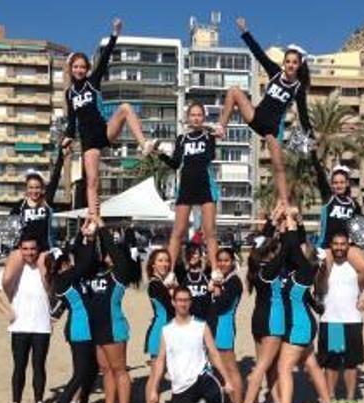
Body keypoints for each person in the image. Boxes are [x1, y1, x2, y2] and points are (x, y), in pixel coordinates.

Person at [60, 18, 159, 219]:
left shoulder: (92, 83)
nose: (79, 70)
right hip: (89, 141)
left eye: (82, 67)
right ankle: (93, 216)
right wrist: (67, 137)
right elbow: (72, 122)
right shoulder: (69, 94)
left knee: (125, 107)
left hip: (104, 131)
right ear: (71, 69)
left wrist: (114, 34)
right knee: (92, 181)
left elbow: (104, 60)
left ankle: (143, 144)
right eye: (75, 67)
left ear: (87, 69)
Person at [216, 17, 312, 209]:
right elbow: (259, 54)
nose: (291, 65)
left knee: (278, 165)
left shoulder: (298, 89)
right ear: (284, 63)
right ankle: (221, 127)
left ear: (299, 65)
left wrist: (310, 137)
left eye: (294, 62)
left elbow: (303, 115)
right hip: (256, 116)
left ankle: (283, 201)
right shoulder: (275, 73)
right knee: (234, 90)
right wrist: (245, 32)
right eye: (288, 61)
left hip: (271, 129)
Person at [264, 209, 337, 403]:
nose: (300, 249)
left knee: (284, 368)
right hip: (302, 323)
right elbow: (285, 247)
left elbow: (292, 246)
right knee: (311, 364)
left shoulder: (306, 269)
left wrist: (291, 221)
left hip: (299, 325)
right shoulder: (295, 269)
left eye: (304, 249)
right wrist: (285, 222)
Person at [147, 286, 235, 403]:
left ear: (191, 302)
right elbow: (160, 361)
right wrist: (154, 389)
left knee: (214, 397)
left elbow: (214, 353)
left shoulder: (201, 325)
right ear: (173, 302)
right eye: (180, 300)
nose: (183, 304)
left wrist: (227, 380)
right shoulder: (167, 330)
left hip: (201, 377)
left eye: (186, 300)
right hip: (181, 385)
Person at [81, 215, 140, 403]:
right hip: (98, 329)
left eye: (108, 254)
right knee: (105, 370)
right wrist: (88, 237)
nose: (106, 255)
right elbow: (83, 259)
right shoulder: (93, 273)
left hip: (114, 327)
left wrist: (103, 229)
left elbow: (116, 254)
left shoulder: (119, 273)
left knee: (119, 370)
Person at [0, 233, 52, 403]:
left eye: (33, 249)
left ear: (38, 250)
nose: (29, 253)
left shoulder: (44, 267)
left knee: (39, 366)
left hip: (41, 326)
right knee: (19, 367)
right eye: (25, 249)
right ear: (19, 250)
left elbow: (56, 291)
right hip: (19, 326)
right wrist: (6, 312)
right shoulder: (13, 270)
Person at [317, 231, 364, 403]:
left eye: (343, 244)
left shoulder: (357, 267)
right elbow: (318, 287)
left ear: (348, 246)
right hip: (332, 321)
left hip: (352, 320)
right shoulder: (326, 267)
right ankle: (331, 398)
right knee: (333, 364)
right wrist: (321, 270)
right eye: (335, 244)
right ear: (331, 246)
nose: (339, 247)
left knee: (351, 363)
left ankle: (351, 400)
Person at [159, 102, 222, 280]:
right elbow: (175, 164)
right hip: (185, 187)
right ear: (188, 118)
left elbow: (209, 156)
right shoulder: (181, 139)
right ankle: (170, 271)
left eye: (199, 115)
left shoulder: (209, 137)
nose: (195, 118)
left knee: (209, 230)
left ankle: (215, 269)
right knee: (178, 231)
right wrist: (160, 153)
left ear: (203, 118)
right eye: (192, 115)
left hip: (205, 186)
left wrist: (213, 133)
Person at [47, 223, 100, 403]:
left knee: (93, 368)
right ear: (61, 264)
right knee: (80, 372)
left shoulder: (67, 277)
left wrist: (80, 234)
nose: (71, 261)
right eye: (67, 260)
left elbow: (81, 258)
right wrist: (90, 239)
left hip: (84, 327)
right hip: (79, 328)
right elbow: (85, 263)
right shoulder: (63, 278)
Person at [240, 208, 289, 403]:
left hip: (258, 319)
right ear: (270, 253)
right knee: (262, 366)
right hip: (272, 320)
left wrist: (272, 219)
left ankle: (275, 402)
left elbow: (262, 240)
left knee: (267, 363)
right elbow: (288, 247)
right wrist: (289, 224)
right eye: (274, 250)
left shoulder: (256, 266)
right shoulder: (270, 269)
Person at [1, 150, 65, 299]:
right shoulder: (20, 206)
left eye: (37, 187)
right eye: (31, 187)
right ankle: (13, 300)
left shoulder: (46, 201)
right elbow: (8, 228)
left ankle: (51, 301)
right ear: (26, 189)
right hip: (24, 248)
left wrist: (62, 155)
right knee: (7, 279)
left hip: (43, 248)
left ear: (42, 188)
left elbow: (55, 178)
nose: (34, 191)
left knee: (45, 272)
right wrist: (6, 242)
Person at [142, 248, 177, 403]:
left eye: (167, 261)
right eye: (160, 260)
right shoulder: (155, 284)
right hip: (160, 332)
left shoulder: (162, 283)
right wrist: (172, 291)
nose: (165, 264)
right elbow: (172, 308)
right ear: (153, 264)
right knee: (156, 374)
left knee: (161, 373)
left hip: (167, 330)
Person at [209, 247, 244, 403]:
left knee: (230, 368)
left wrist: (215, 289)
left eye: (226, 260)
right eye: (220, 260)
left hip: (225, 326)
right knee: (218, 368)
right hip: (217, 326)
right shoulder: (224, 280)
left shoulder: (233, 281)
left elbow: (222, 306)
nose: (223, 263)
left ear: (232, 262)